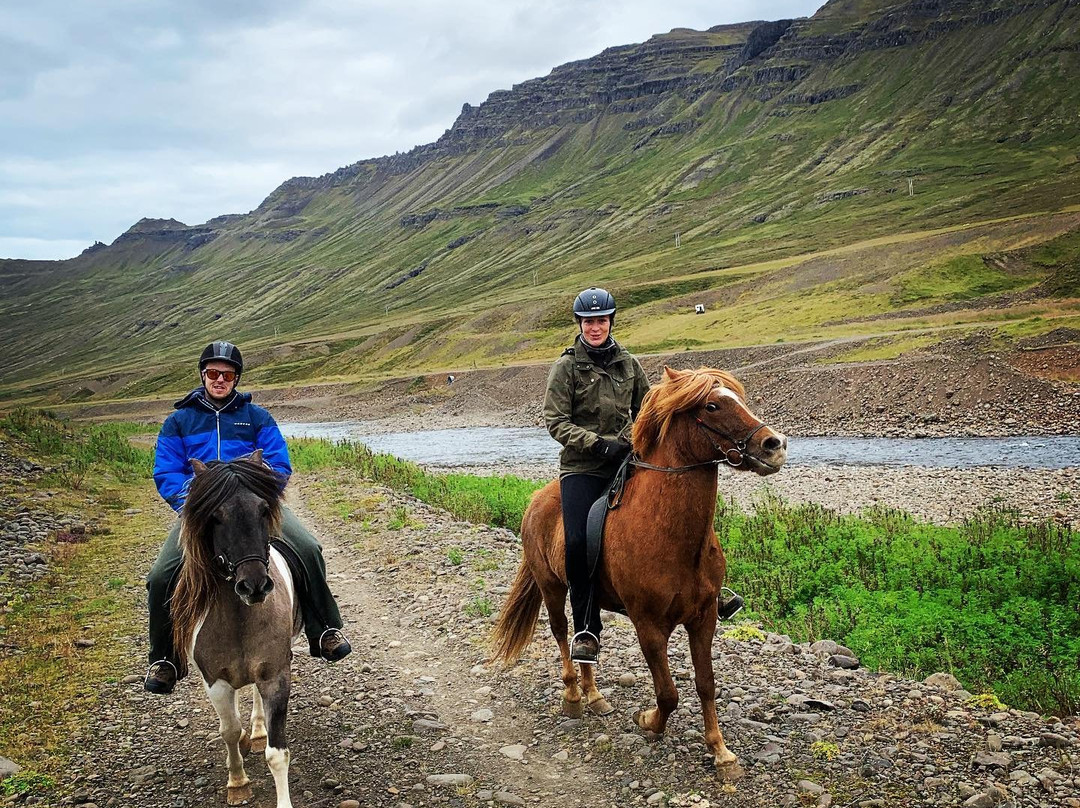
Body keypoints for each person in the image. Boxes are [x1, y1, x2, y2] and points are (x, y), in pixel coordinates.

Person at [144, 340, 352, 694]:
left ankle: (324, 630)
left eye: (227, 374)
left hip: (255, 508)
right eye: (213, 373)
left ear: (236, 378)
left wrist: (259, 494)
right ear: (202, 375)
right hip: (204, 513)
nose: (219, 379)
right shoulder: (178, 422)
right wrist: (195, 505)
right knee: (161, 576)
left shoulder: (257, 417)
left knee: (308, 548)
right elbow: (166, 472)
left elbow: (279, 463)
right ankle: (165, 659)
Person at [543, 288, 650, 665]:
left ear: (611, 321)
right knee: (574, 541)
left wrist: (632, 440)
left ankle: (709, 591)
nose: (595, 327)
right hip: (583, 467)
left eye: (601, 320)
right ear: (580, 324)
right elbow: (555, 421)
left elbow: (648, 410)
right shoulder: (566, 367)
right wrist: (598, 444)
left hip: (627, 460)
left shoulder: (630, 365)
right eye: (589, 321)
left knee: (675, 508)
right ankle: (587, 629)